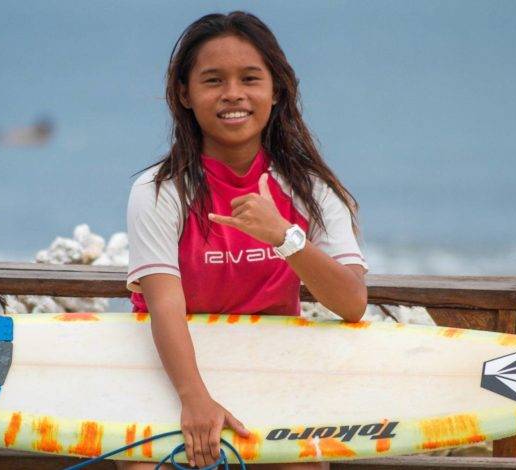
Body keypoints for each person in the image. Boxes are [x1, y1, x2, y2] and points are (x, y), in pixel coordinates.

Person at [124, 11, 369, 470]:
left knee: (304, 466)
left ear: (276, 90)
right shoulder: (160, 190)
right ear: (184, 93)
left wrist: (284, 237)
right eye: (213, 80)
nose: (233, 94)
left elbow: (352, 302)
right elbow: (165, 306)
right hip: (174, 374)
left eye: (250, 79)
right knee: (145, 466)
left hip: (269, 370)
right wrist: (195, 399)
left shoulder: (312, 190)